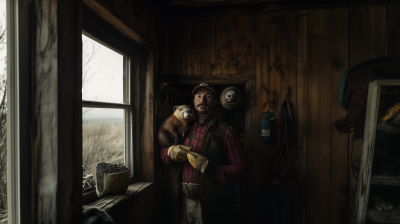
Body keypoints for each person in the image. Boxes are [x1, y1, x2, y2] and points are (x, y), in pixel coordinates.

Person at [161, 83, 249, 224]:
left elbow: (243, 169)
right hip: (181, 202)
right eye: (198, 96)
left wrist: (212, 168)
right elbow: (164, 155)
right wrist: (170, 152)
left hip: (212, 204)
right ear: (194, 100)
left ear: (215, 101)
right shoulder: (181, 127)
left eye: (208, 96)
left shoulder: (227, 131)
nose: (202, 100)